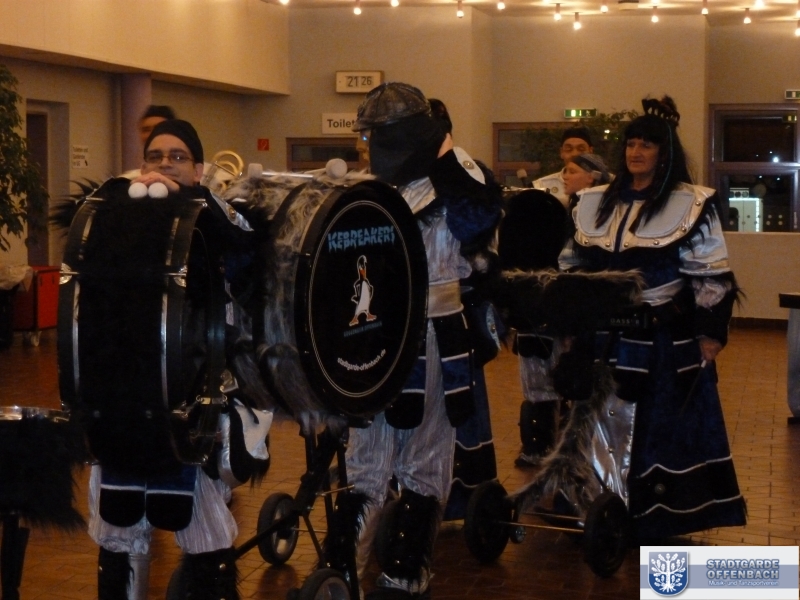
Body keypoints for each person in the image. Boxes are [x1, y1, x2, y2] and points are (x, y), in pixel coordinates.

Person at [558, 96, 747, 539]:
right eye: (631, 144)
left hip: (664, 341)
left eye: (646, 144)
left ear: (664, 152)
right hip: (604, 337)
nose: (636, 152)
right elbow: (572, 266)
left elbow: (711, 275)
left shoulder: (691, 204)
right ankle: (597, 509)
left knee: (658, 426)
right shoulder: (593, 202)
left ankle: (657, 516)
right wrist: (571, 324)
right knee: (595, 419)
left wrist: (709, 335)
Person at [87, 119, 258, 600]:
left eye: (177, 156)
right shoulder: (116, 215)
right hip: (123, 393)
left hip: (193, 388)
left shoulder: (216, 217)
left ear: (198, 169)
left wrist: (193, 203)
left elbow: (246, 255)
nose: (164, 164)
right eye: (155, 156)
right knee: (116, 524)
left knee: (202, 522)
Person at [342, 83, 502, 599]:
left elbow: (477, 222)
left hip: (436, 332)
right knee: (365, 458)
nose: (371, 147)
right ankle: (345, 571)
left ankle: (404, 575)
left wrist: (444, 155)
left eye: (379, 137)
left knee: (426, 458)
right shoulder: (370, 188)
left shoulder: (458, 178)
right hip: (372, 333)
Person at [509, 153, 609, 469]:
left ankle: (575, 448)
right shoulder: (551, 210)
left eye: (573, 171)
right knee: (537, 380)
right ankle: (536, 446)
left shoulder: (602, 214)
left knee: (577, 380)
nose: (565, 175)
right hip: (541, 307)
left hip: (577, 309)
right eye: (564, 170)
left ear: (593, 176)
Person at [426, 97, 500, 522]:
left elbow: (477, 239)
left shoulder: (470, 174)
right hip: (402, 322)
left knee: (459, 407)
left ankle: (463, 497)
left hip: (453, 315)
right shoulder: (395, 180)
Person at [533, 126, 594, 207]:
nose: (574, 154)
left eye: (581, 149)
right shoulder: (541, 185)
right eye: (569, 149)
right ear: (561, 152)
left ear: (590, 151)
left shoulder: (607, 184)